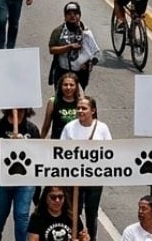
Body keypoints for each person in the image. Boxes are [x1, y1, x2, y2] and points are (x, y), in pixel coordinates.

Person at [0, 108, 40, 241]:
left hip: (26, 180)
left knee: (21, 215)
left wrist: (24, 144)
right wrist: (6, 144)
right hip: (2, 178)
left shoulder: (31, 128)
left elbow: (39, 151)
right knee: (0, 214)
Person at [60, 97, 111, 236]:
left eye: (84, 108)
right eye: (78, 108)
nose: (80, 111)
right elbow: (60, 151)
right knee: (73, 213)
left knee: (91, 214)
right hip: (74, 178)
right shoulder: (69, 127)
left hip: (94, 179)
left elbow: (110, 152)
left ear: (93, 111)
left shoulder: (102, 128)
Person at [47, 2, 95, 91]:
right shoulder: (58, 31)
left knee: (79, 98)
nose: (72, 16)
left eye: (75, 14)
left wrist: (89, 64)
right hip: (62, 70)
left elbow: (94, 53)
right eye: (69, 14)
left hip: (80, 73)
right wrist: (69, 47)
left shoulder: (86, 32)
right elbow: (52, 49)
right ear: (65, 16)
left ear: (80, 15)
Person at [40, 72, 82, 139]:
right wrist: (40, 140)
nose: (68, 88)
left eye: (71, 85)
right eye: (65, 85)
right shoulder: (53, 101)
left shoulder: (81, 102)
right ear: (60, 86)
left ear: (76, 86)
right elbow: (46, 125)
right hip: (57, 142)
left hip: (75, 142)